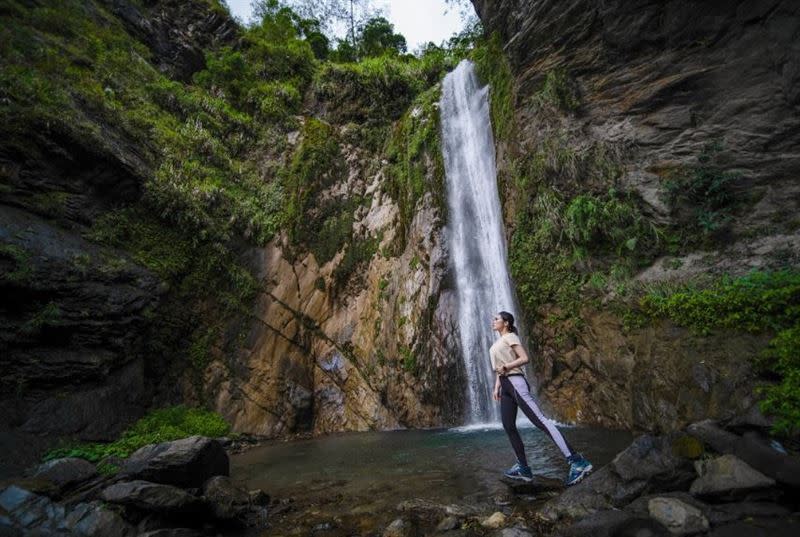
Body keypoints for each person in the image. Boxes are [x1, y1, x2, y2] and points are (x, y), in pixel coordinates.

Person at [490, 311, 592, 485]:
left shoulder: (510, 337)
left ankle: (577, 461)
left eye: (497, 319)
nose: (493, 321)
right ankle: (523, 468)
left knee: (541, 421)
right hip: (506, 386)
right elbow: (500, 368)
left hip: (515, 383)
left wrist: (507, 367)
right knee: (508, 425)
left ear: (506, 323)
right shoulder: (498, 341)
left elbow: (524, 358)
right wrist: (497, 386)